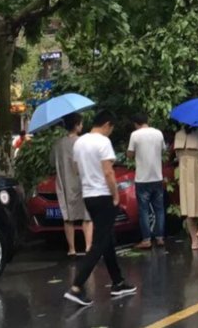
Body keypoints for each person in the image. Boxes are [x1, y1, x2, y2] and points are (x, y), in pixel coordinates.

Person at [64, 111, 136, 307]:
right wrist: (115, 195)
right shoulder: (103, 142)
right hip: (103, 195)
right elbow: (108, 172)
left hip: (88, 196)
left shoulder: (79, 142)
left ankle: (118, 282)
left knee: (106, 239)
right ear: (107, 124)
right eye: (111, 129)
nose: (110, 132)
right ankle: (77, 287)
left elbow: (77, 169)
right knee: (99, 243)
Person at [52, 113, 92, 257]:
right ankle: (88, 247)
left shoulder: (58, 144)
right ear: (76, 125)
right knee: (87, 216)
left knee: (68, 217)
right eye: (80, 123)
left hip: (65, 183)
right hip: (82, 182)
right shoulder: (83, 142)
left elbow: (52, 162)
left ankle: (72, 249)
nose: (82, 126)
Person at [128, 114, 166, 250]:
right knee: (159, 209)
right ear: (147, 121)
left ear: (135, 123)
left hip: (142, 179)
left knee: (144, 210)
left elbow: (130, 154)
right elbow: (163, 150)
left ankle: (146, 240)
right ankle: (160, 238)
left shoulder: (135, 135)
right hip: (157, 177)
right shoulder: (158, 133)